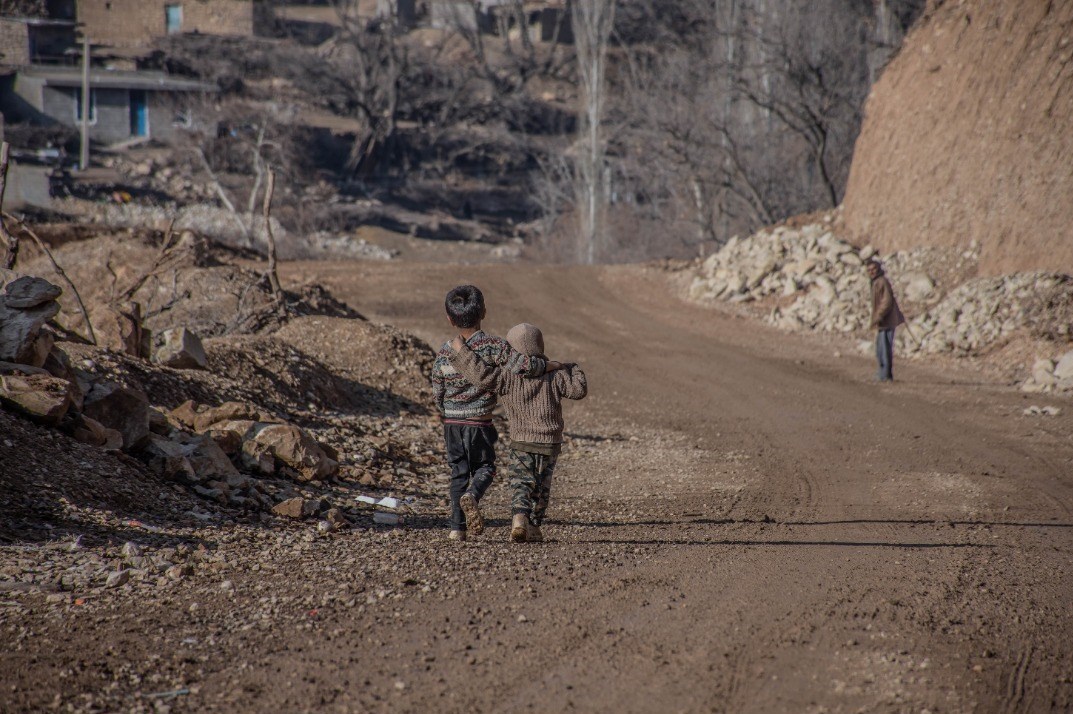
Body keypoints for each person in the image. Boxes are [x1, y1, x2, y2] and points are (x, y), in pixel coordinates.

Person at [431, 286, 560, 542]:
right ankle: (473, 495)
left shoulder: (444, 353)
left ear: (449, 318)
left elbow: (438, 390)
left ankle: (457, 528)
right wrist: (549, 365)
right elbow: (523, 367)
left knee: (458, 472)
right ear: (484, 312)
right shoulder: (494, 346)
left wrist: (446, 410)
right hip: (479, 423)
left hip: (452, 425)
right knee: (486, 468)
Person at [449, 323, 587, 543]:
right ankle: (533, 527)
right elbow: (578, 390)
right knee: (541, 488)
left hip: (521, 441)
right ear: (541, 345)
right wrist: (572, 367)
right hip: (550, 443)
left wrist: (461, 352)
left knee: (521, 483)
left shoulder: (506, 376)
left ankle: (519, 518)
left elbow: (481, 375)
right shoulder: (555, 374)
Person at [866, 259, 905, 382]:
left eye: (874, 269)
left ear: (878, 269)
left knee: (884, 349)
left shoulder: (882, 282)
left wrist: (878, 316)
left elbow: (887, 302)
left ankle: (885, 375)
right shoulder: (875, 282)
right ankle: (883, 374)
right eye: (869, 270)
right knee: (880, 349)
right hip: (883, 322)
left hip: (887, 321)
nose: (871, 272)